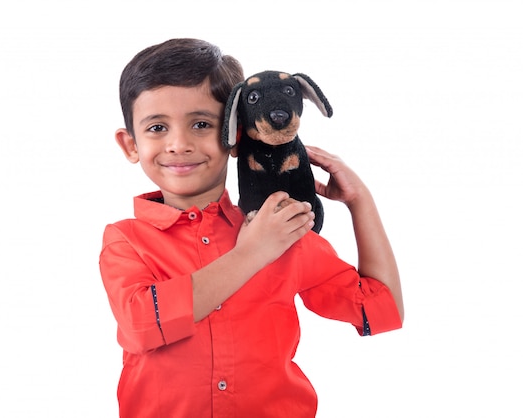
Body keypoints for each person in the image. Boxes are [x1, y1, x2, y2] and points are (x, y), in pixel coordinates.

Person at [99, 38, 404, 418]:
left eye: (200, 124)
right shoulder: (126, 240)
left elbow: (383, 310)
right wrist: (253, 254)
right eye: (157, 127)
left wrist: (361, 202)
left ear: (236, 134)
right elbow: (144, 324)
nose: (178, 144)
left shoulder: (282, 231)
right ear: (130, 145)